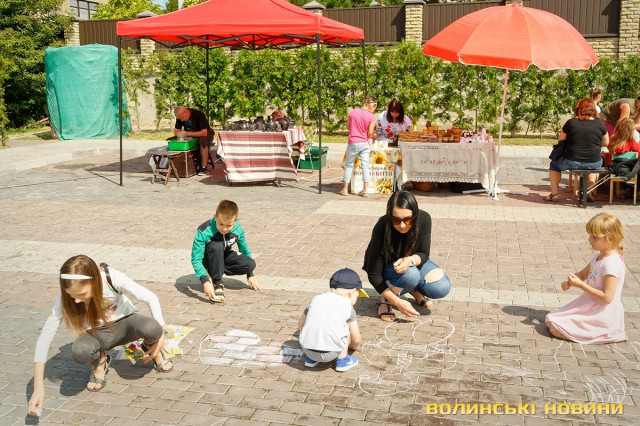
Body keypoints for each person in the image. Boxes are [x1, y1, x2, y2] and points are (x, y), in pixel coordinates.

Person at [28, 255, 172, 416]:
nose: (76, 301)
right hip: (97, 334)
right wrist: (38, 388)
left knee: (153, 328)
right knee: (80, 352)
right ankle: (100, 361)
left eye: (81, 294)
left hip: (127, 324)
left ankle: (151, 347)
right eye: (71, 295)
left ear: (95, 281)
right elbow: (45, 336)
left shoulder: (111, 278)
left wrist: (161, 336)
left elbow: (151, 297)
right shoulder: (67, 295)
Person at [363, 190, 451, 322]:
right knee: (411, 275)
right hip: (387, 269)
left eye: (408, 219)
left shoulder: (424, 218)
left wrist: (410, 260)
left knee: (441, 287)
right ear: (389, 216)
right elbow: (373, 275)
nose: (402, 225)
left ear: (415, 214)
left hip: (410, 264)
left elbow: (424, 254)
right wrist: (397, 302)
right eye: (396, 220)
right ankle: (386, 301)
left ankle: (412, 288)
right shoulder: (382, 226)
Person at [545, 213, 626, 344]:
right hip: (590, 303)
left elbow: (607, 298)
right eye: (590, 235)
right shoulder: (598, 256)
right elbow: (583, 274)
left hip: (602, 312)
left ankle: (598, 333)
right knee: (552, 319)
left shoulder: (611, 264)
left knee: (555, 326)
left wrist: (581, 285)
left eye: (594, 237)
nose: (589, 239)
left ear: (610, 239)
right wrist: (569, 282)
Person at [191, 199, 259, 303]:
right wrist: (204, 281)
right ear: (215, 217)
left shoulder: (238, 230)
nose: (224, 229)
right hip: (208, 258)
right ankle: (217, 283)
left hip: (223, 255)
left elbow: (245, 251)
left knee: (250, 264)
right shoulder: (204, 231)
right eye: (221, 224)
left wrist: (250, 274)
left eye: (229, 225)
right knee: (216, 246)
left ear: (235, 221)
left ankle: (215, 272)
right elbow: (196, 258)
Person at [298, 268, 363, 372]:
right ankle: (342, 361)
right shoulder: (347, 306)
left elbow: (300, 325)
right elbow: (356, 340)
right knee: (345, 328)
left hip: (307, 350)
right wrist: (352, 346)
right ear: (352, 292)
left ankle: (311, 360)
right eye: (357, 296)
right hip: (331, 354)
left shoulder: (316, 299)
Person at [545, 98, 609, 202]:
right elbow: (606, 142)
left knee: (554, 165)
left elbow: (561, 140)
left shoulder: (571, 123)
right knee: (594, 165)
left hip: (571, 161)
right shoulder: (600, 123)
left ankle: (555, 194)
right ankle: (589, 191)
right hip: (593, 162)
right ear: (593, 110)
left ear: (578, 109)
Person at [340, 96, 378, 197]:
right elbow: (370, 133)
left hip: (353, 142)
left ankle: (345, 189)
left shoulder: (353, 112)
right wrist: (369, 136)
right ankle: (365, 190)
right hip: (364, 143)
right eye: (374, 107)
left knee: (349, 165)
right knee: (365, 166)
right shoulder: (371, 117)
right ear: (371, 105)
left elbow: (348, 127)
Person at [174, 106, 215, 174]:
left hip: (206, 134)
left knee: (202, 141)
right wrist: (179, 134)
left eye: (182, 118)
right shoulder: (180, 117)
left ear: (185, 113)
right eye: (179, 119)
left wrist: (187, 134)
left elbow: (204, 133)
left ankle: (204, 168)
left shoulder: (199, 115)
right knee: (174, 140)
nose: (181, 120)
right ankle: (180, 166)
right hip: (191, 134)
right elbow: (176, 130)